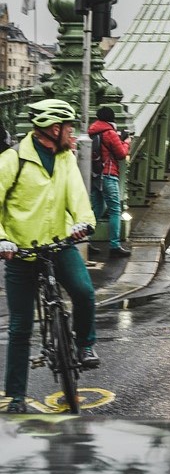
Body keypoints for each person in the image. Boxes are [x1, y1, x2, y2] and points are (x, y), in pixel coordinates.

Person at [0, 99, 100, 414]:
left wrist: (85, 221)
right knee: (20, 327)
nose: (74, 134)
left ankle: (85, 345)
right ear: (54, 129)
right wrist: (2, 239)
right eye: (70, 128)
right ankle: (16, 397)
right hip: (21, 252)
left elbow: (77, 195)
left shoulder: (66, 159)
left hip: (59, 243)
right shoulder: (12, 159)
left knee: (84, 292)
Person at [88, 106, 132, 257]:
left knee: (96, 210)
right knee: (115, 210)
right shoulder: (110, 133)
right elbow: (121, 154)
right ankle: (114, 246)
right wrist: (126, 142)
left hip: (95, 175)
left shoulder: (92, 131)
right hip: (108, 174)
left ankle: (85, 242)